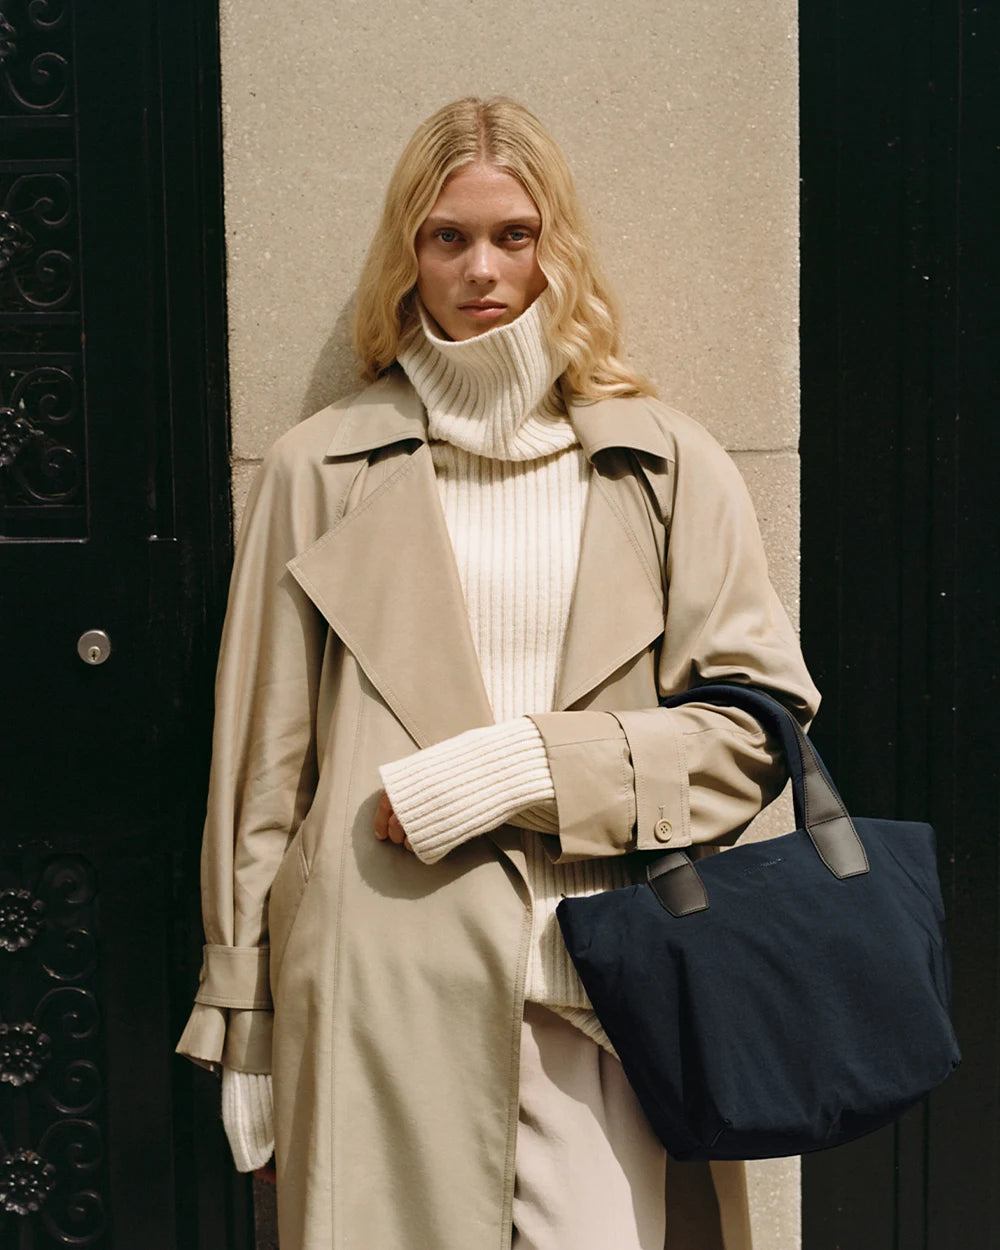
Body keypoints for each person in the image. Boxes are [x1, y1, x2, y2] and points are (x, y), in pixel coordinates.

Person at [177, 96, 819, 1250]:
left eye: (513, 234)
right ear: (406, 253)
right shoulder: (316, 469)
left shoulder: (665, 462)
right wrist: (244, 1013)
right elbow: (260, 778)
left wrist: (525, 764)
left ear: (554, 245)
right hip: (379, 983)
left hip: (606, 979)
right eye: (446, 237)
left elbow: (758, 727)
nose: (481, 268)